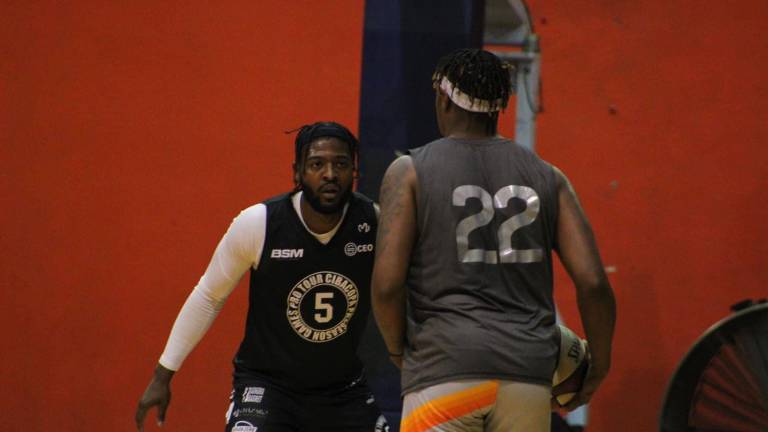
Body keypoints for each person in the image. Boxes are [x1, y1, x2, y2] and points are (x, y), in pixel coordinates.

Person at [371, 48, 616, 432]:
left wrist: (397, 350)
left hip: (444, 367)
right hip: (527, 376)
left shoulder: (409, 172)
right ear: (500, 107)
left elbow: (387, 285)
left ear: (443, 99)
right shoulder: (549, 177)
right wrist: (598, 363)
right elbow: (593, 283)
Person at [136, 121, 389, 432]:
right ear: (297, 173)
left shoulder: (373, 221)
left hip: (342, 390)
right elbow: (209, 296)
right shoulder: (260, 223)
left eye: (341, 164)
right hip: (268, 387)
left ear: (354, 172)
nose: (330, 174)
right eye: (316, 164)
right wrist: (163, 374)